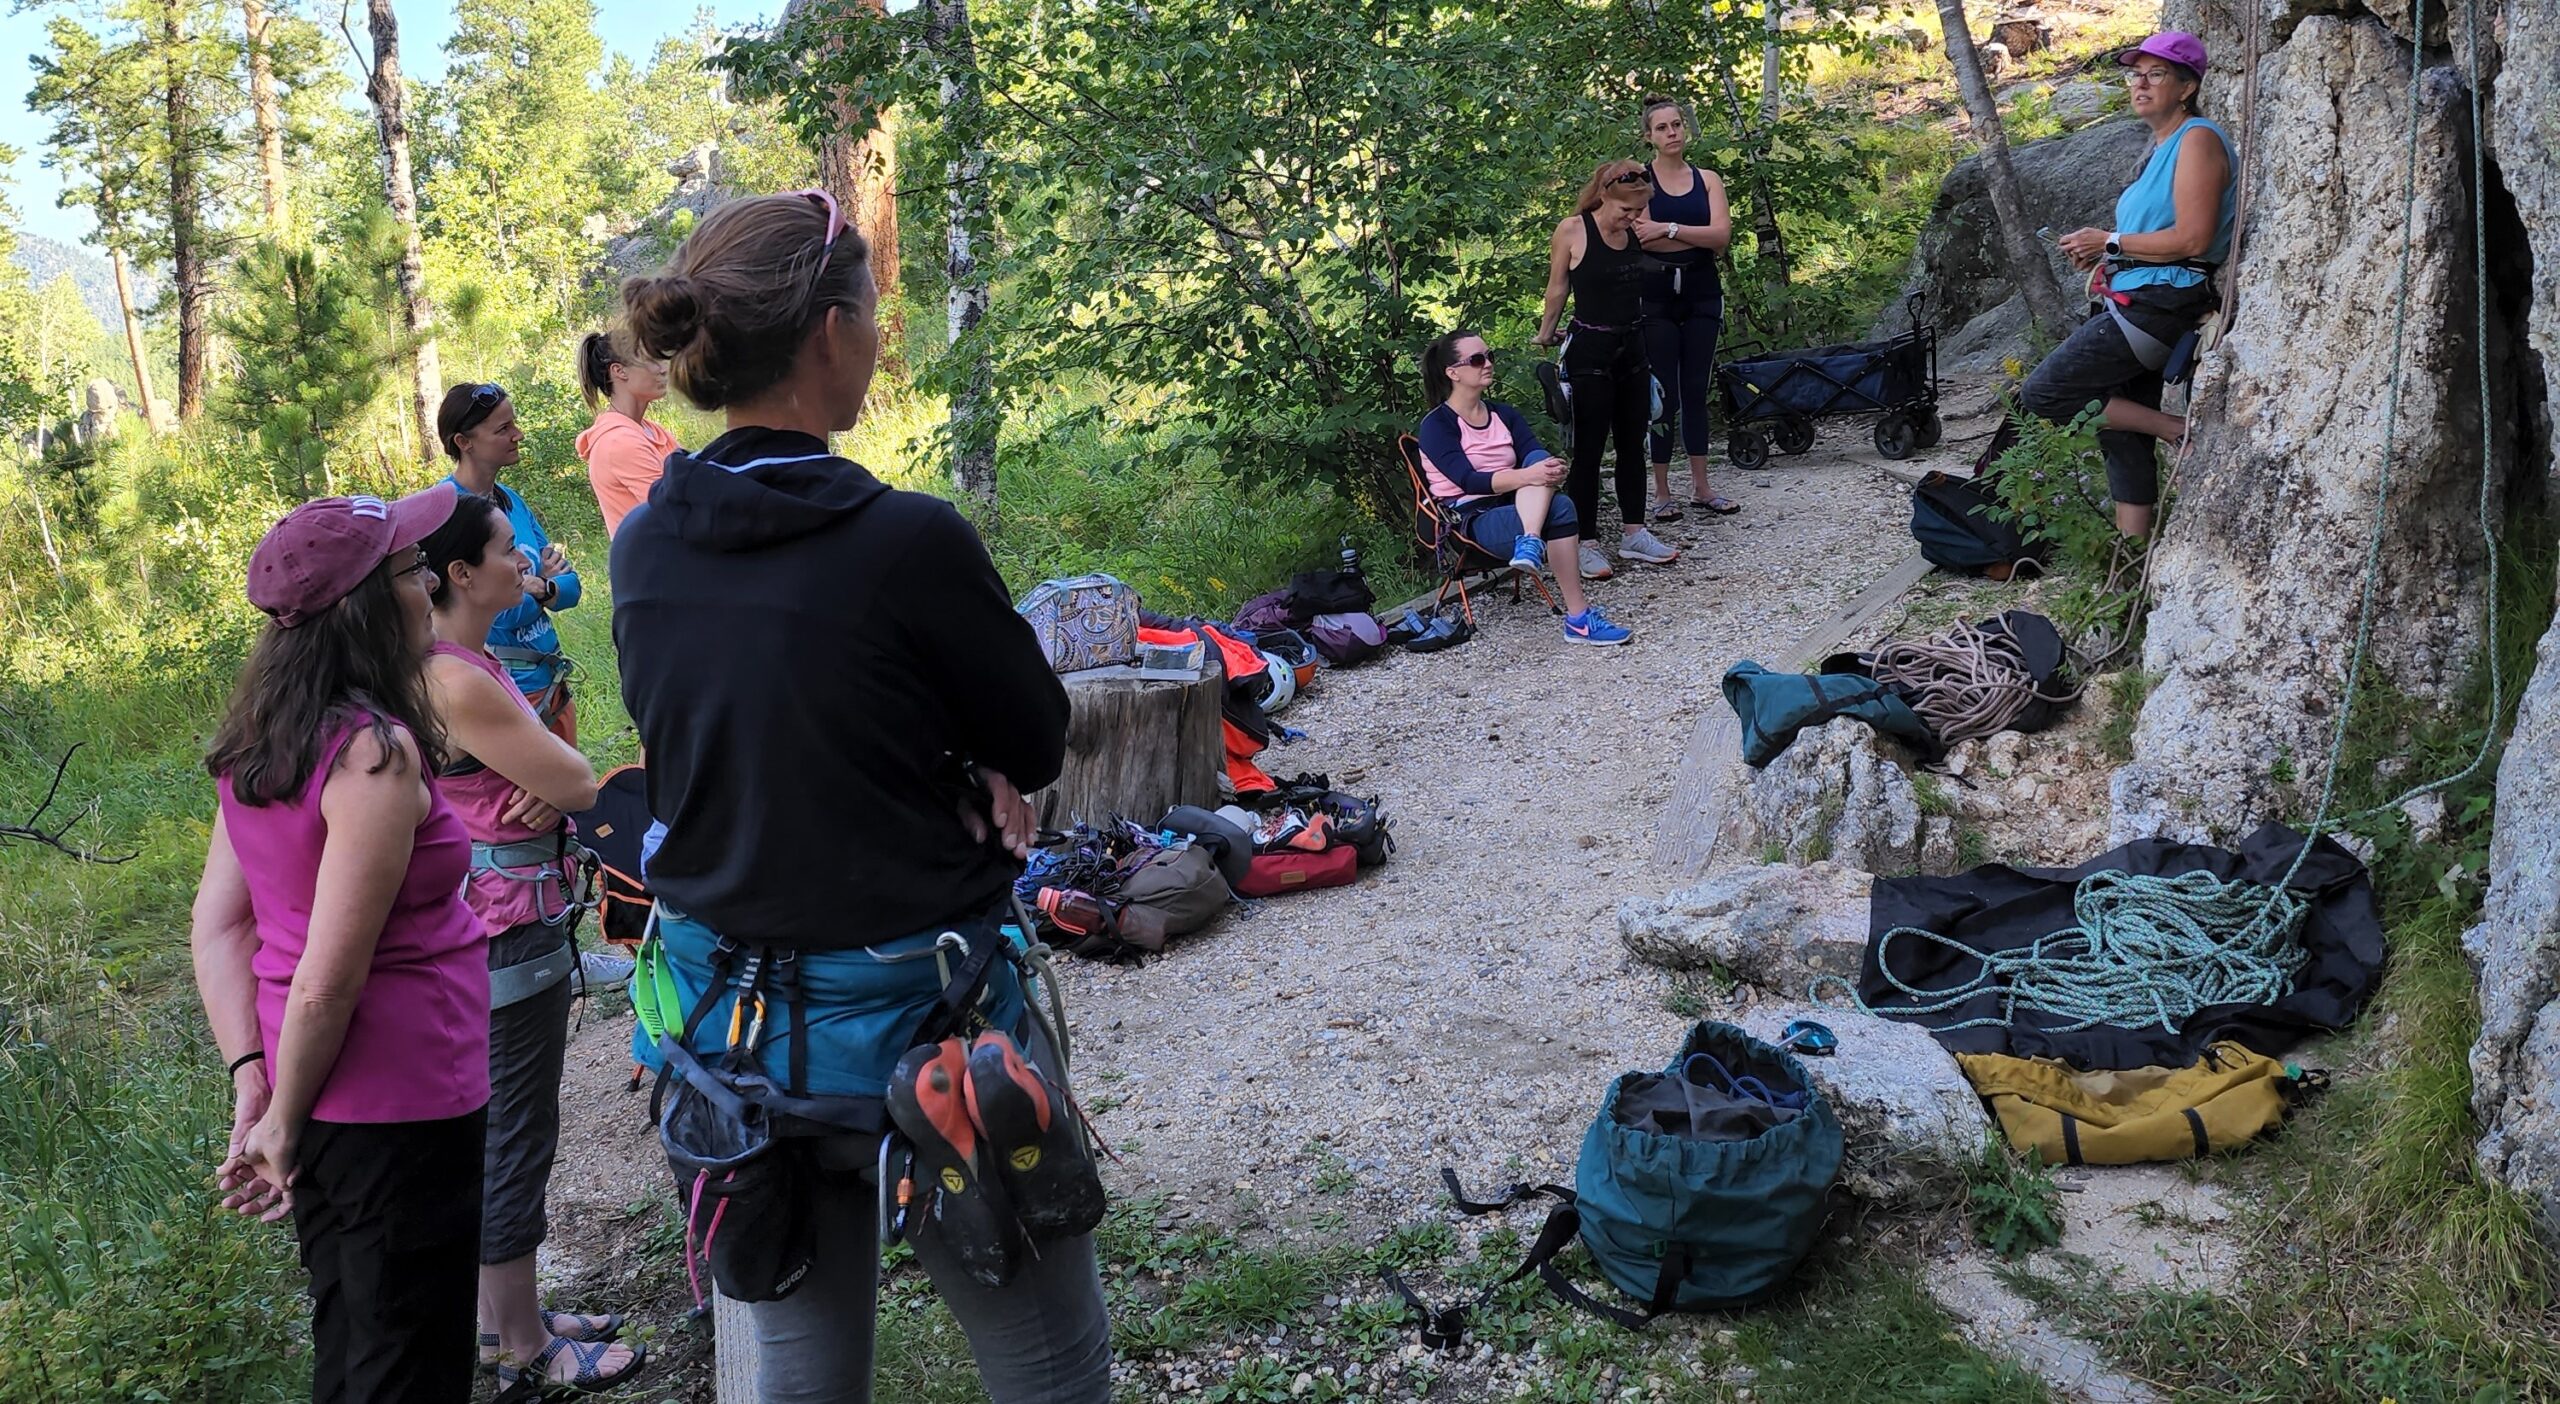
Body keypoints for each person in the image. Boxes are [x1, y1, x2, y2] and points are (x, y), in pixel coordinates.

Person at [613, 190, 1111, 1404]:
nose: (881, 342)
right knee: (1049, 1371)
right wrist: (971, 763)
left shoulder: (646, 548)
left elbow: (738, 738)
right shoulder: (904, 540)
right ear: (830, 333)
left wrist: (940, 757)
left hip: (728, 1029)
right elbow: (1033, 737)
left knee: (791, 1375)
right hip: (919, 1021)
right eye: (876, 317)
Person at [190, 484, 489, 1404]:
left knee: (358, 1335)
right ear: (365, 607)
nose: (425, 585)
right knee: (411, 1360)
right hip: (405, 1096)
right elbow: (330, 977)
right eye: (410, 572)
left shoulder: (259, 741)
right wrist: (273, 1119)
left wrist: (259, 1080)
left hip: (310, 1089)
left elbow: (221, 925)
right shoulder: (372, 755)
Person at [418, 492, 645, 1395]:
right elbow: (580, 778)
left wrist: (553, 784)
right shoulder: (459, 677)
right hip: (507, 933)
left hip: (502, 922)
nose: (529, 561)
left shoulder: (454, 660)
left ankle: (502, 1316)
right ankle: (522, 1346)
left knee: (508, 1125)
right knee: (515, 1132)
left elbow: (557, 783)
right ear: (462, 575)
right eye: (510, 550)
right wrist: (559, 782)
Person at [2020, 31, 2234, 537]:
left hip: (2161, 302)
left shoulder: (2197, 138)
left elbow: (2194, 237)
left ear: (2186, 87)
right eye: (2134, 74)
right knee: (2121, 433)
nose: (2140, 83)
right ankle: (2130, 562)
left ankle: (2179, 431)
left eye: (2155, 73)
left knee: (2043, 392)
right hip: (2140, 296)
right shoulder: (2158, 151)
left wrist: (2111, 243)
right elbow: (2148, 237)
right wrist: (2106, 253)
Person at [1416, 329, 1636, 646]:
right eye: (1477, 360)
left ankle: (1570, 606)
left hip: (1517, 503)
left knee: (1543, 471)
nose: (1488, 364)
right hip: (1469, 520)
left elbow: (1532, 453)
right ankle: (1565, 599)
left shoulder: (1504, 414)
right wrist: (1530, 476)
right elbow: (1468, 481)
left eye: (1489, 356)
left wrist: (1547, 467)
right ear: (1453, 373)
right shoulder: (1438, 425)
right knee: (1551, 495)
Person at [1535, 159, 1681, 581]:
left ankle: (1634, 533)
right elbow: (1558, 285)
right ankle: (1585, 542)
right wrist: (1546, 332)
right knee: (1589, 447)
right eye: (1625, 212)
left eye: (1638, 212)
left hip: (1632, 346)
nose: (1632, 220)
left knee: (1634, 441)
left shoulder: (1637, 227)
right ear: (1604, 196)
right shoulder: (1573, 229)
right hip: (1590, 350)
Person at [438, 382, 583, 741]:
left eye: (513, 424)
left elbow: (571, 589)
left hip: (552, 680)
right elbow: (486, 613)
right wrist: (538, 584)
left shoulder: (511, 501)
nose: (518, 435)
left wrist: (542, 586)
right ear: (463, 442)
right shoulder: (446, 512)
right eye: (503, 429)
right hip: (506, 690)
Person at [1634, 96, 1738, 517]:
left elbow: (1721, 237)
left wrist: (1670, 228)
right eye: (1662, 128)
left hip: (1701, 290)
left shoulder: (1707, 179)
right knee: (1663, 393)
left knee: (1696, 388)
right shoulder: (1639, 181)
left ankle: (1702, 486)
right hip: (1655, 294)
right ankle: (1661, 493)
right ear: (1649, 136)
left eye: (1676, 125)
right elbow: (1642, 237)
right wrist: (1687, 233)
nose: (1672, 133)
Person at [575, 332, 681, 538]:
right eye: (651, 361)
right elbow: (676, 511)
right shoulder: (619, 442)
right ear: (619, 371)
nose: (663, 369)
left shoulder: (651, 431)